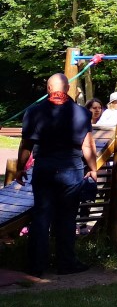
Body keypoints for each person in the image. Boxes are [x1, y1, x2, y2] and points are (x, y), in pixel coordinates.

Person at [15, 73, 100, 277]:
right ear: (68, 89)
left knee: (41, 216)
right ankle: (66, 263)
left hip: (44, 168)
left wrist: (20, 168)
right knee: (67, 217)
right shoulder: (81, 113)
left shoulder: (34, 111)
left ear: (48, 88)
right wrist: (93, 168)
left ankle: (36, 266)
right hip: (71, 170)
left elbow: (26, 144)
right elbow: (87, 145)